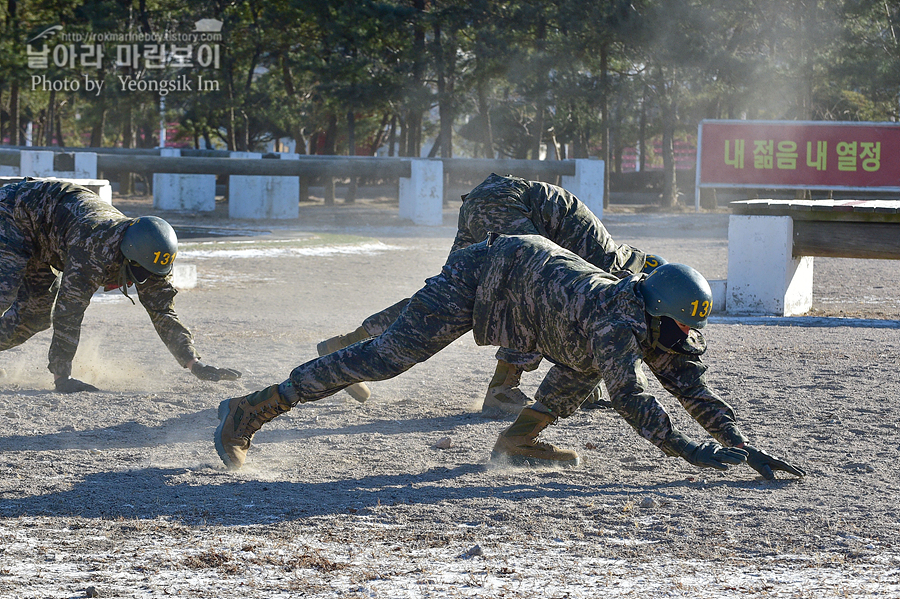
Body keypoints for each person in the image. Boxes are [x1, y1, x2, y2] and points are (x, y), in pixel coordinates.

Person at [215, 234, 805, 481]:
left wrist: (738, 443)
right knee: (389, 356)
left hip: (537, 303)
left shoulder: (654, 319)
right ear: (656, 312)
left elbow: (689, 386)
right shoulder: (618, 321)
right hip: (484, 274)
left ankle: (517, 442)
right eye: (677, 326)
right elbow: (633, 398)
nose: (681, 338)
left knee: (578, 371)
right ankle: (252, 410)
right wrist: (692, 452)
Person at [316, 172, 666, 416]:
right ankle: (502, 389)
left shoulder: (606, 258)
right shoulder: (609, 267)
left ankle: (349, 343)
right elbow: (544, 305)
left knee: (453, 297)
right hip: (503, 204)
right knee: (517, 291)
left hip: (489, 201)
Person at [0, 178, 241, 392]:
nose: (146, 280)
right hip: (13, 212)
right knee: (4, 291)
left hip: (46, 237)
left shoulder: (150, 256)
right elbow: (69, 310)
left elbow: (162, 312)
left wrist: (194, 364)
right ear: (128, 255)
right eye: (141, 273)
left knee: (35, 316)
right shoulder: (94, 248)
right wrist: (63, 378)